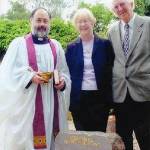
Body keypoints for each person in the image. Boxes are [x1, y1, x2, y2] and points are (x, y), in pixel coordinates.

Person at [0, 8, 71, 150]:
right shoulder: (18, 44)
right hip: (27, 106)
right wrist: (30, 77)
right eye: (38, 20)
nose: (42, 24)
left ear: (49, 23)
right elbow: (7, 75)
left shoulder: (56, 46)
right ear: (30, 21)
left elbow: (64, 72)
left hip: (51, 103)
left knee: (49, 137)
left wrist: (62, 83)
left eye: (45, 21)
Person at [108, 0, 150, 149]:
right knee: (124, 140)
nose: (119, 9)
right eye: (116, 6)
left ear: (131, 3)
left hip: (144, 92)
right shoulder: (111, 30)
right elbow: (112, 60)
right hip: (121, 94)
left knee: (146, 139)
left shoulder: (147, 24)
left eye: (122, 4)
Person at [66, 8, 114, 131]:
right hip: (79, 99)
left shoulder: (105, 44)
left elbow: (111, 72)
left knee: (99, 136)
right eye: (79, 22)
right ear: (76, 25)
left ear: (92, 22)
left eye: (85, 21)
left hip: (100, 99)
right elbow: (67, 73)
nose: (82, 24)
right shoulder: (71, 47)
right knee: (82, 137)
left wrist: (111, 100)